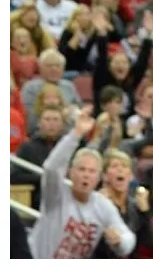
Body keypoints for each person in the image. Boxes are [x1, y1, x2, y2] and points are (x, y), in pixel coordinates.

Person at [28, 105, 136, 258]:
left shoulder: (102, 205)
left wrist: (120, 241)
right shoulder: (56, 194)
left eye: (91, 171)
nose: (86, 175)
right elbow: (52, 168)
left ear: (98, 178)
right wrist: (76, 134)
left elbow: (128, 238)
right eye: (81, 169)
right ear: (71, 173)